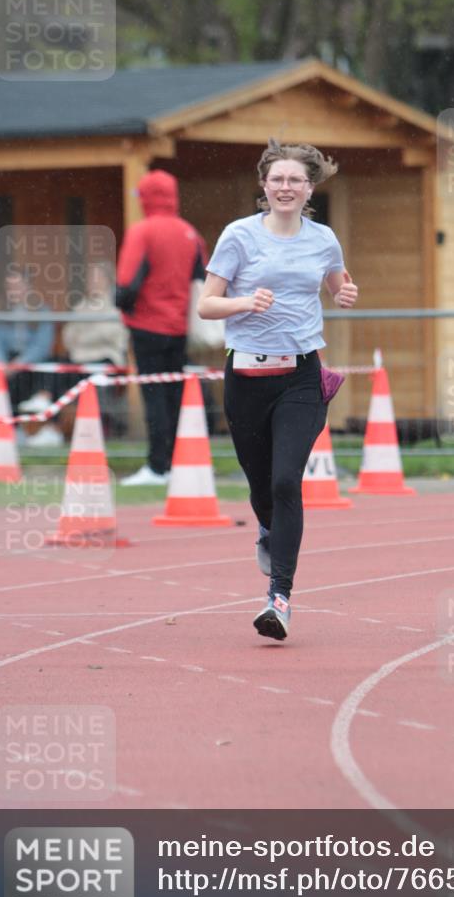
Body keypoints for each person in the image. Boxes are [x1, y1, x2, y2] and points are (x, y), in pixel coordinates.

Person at [198, 139, 358, 641]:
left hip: (301, 377)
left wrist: (346, 294)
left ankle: (279, 598)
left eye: (295, 180)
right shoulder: (238, 236)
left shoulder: (323, 239)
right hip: (245, 378)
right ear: (264, 186)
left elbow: (338, 285)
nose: (286, 187)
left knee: (287, 480)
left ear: (310, 187)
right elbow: (206, 306)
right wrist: (245, 302)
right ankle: (267, 530)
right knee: (261, 484)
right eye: (277, 179)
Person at [115, 169, 207, 486]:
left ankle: (157, 467)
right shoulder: (190, 233)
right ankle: (176, 462)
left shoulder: (143, 231)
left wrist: (124, 307)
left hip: (147, 326)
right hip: (180, 327)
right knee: (174, 396)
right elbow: (202, 280)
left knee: (154, 397)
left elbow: (126, 284)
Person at [0, 270, 63, 446]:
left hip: (32, 362)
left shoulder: (42, 311)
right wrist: (1, 363)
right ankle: (8, 429)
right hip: (7, 364)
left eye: (18, 286)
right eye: (10, 287)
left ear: (28, 287)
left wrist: (19, 364)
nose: (14, 291)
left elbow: (42, 345)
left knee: (51, 369)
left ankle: (46, 429)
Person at [62, 261, 129, 435]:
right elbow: (68, 337)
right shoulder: (80, 306)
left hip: (106, 358)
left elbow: (114, 334)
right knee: (55, 373)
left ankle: (103, 426)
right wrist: (93, 334)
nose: (93, 282)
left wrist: (85, 336)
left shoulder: (116, 305)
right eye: (91, 278)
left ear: (107, 280)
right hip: (78, 359)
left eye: (97, 277)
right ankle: (54, 428)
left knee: (97, 380)